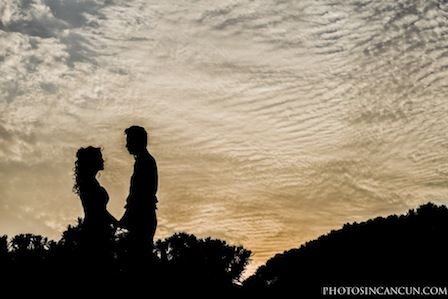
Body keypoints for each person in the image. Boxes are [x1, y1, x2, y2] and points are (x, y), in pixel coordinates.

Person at [119, 126, 158, 263]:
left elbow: (140, 195)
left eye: (129, 141)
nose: (127, 145)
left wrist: (127, 218)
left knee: (138, 258)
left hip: (142, 217)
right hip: (141, 217)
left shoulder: (145, 162)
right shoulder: (143, 162)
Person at [73, 146, 118, 244]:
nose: (102, 160)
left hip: (97, 228)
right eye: (99, 157)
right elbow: (98, 211)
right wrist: (116, 223)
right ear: (92, 161)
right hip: (94, 230)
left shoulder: (90, 182)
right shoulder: (89, 183)